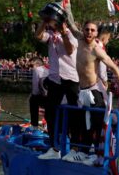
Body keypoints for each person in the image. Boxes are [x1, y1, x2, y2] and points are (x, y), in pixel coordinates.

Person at [61, 20, 119, 164]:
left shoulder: (97, 49)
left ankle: (98, 155)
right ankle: (85, 153)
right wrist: (66, 4)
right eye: (87, 29)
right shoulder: (80, 38)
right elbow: (72, 24)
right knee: (85, 123)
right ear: (84, 30)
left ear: (96, 33)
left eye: (93, 30)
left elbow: (114, 67)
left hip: (94, 92)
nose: (89, 32)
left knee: (98, 124)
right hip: (83, 91)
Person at [36, 15, 80, 160]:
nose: (55, 24)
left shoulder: (72, 34)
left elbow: (69, 50)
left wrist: (64, 32)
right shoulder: (51, 35)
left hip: (71, 77)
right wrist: (44, 20)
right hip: (55, 78)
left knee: (74, 113)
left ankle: (75, 149)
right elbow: (38, 35)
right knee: (50, 113)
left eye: (57, 21)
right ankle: (55, 149)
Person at [29, 57, 49, 129]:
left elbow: (35, 90)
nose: (30, 68)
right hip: (53, 97)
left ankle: (34, 125)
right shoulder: (48, 69)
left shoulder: (37, 70)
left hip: (45, 98)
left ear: (37, 64)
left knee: (32, 99)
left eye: (31, 66)